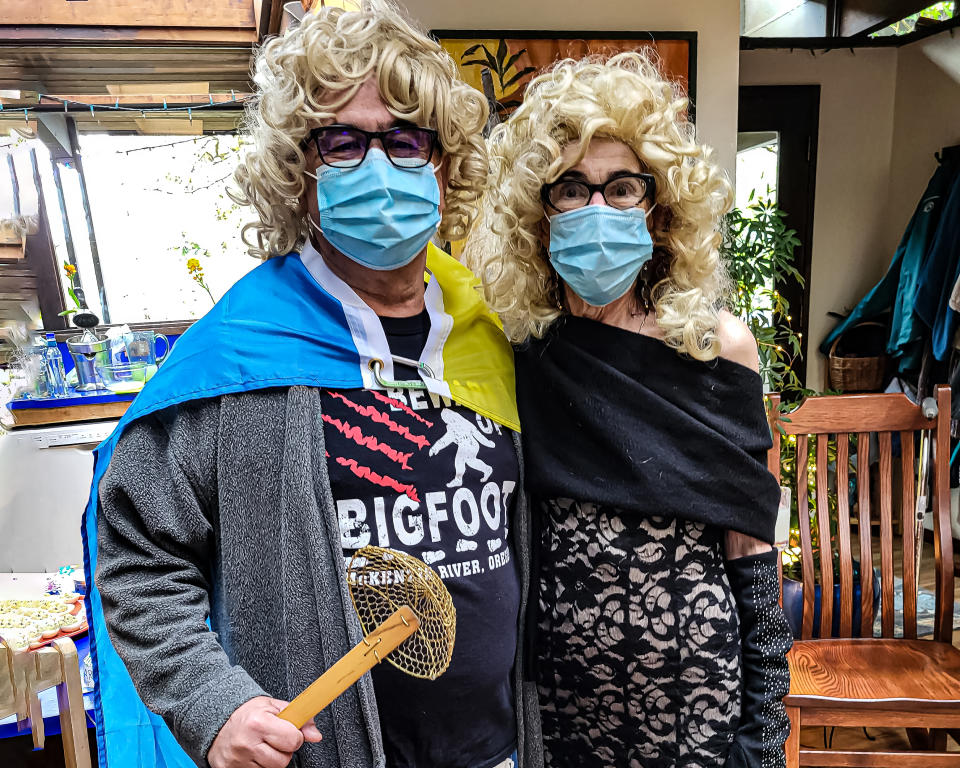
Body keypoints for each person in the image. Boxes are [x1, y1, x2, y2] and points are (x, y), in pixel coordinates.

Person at [84, 4, 542, 768]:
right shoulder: (236, 359)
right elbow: (138, 559)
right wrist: (212, 703)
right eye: (342, 142)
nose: (378, 165)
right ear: (299, 176)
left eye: (404, 140)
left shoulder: (490, 334)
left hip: (497, 750)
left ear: (443, 164)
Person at [465, 52, 792, 768]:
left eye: (621, 187)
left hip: (695, 692)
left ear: (659, 205)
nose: (596, 208)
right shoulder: (518, 357)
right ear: (537, 212)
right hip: (557, 699)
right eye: (571, 188)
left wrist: (765, 733)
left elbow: (752, 549)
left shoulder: (716, 348)